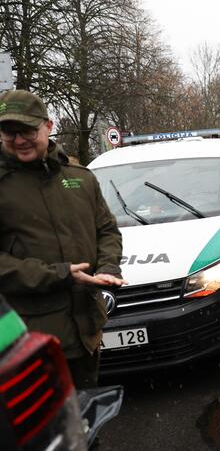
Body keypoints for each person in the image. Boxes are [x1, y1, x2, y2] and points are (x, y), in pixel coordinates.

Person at [0, 89, 126, 387]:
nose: (19, 140)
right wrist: (59, 274)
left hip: (85, 328)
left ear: (48, 125)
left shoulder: (80, 177)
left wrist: (108, 268)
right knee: (44, 429)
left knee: (86, 421)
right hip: (25, 338)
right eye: (9, 132)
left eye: (27, 130)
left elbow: (106, 230)